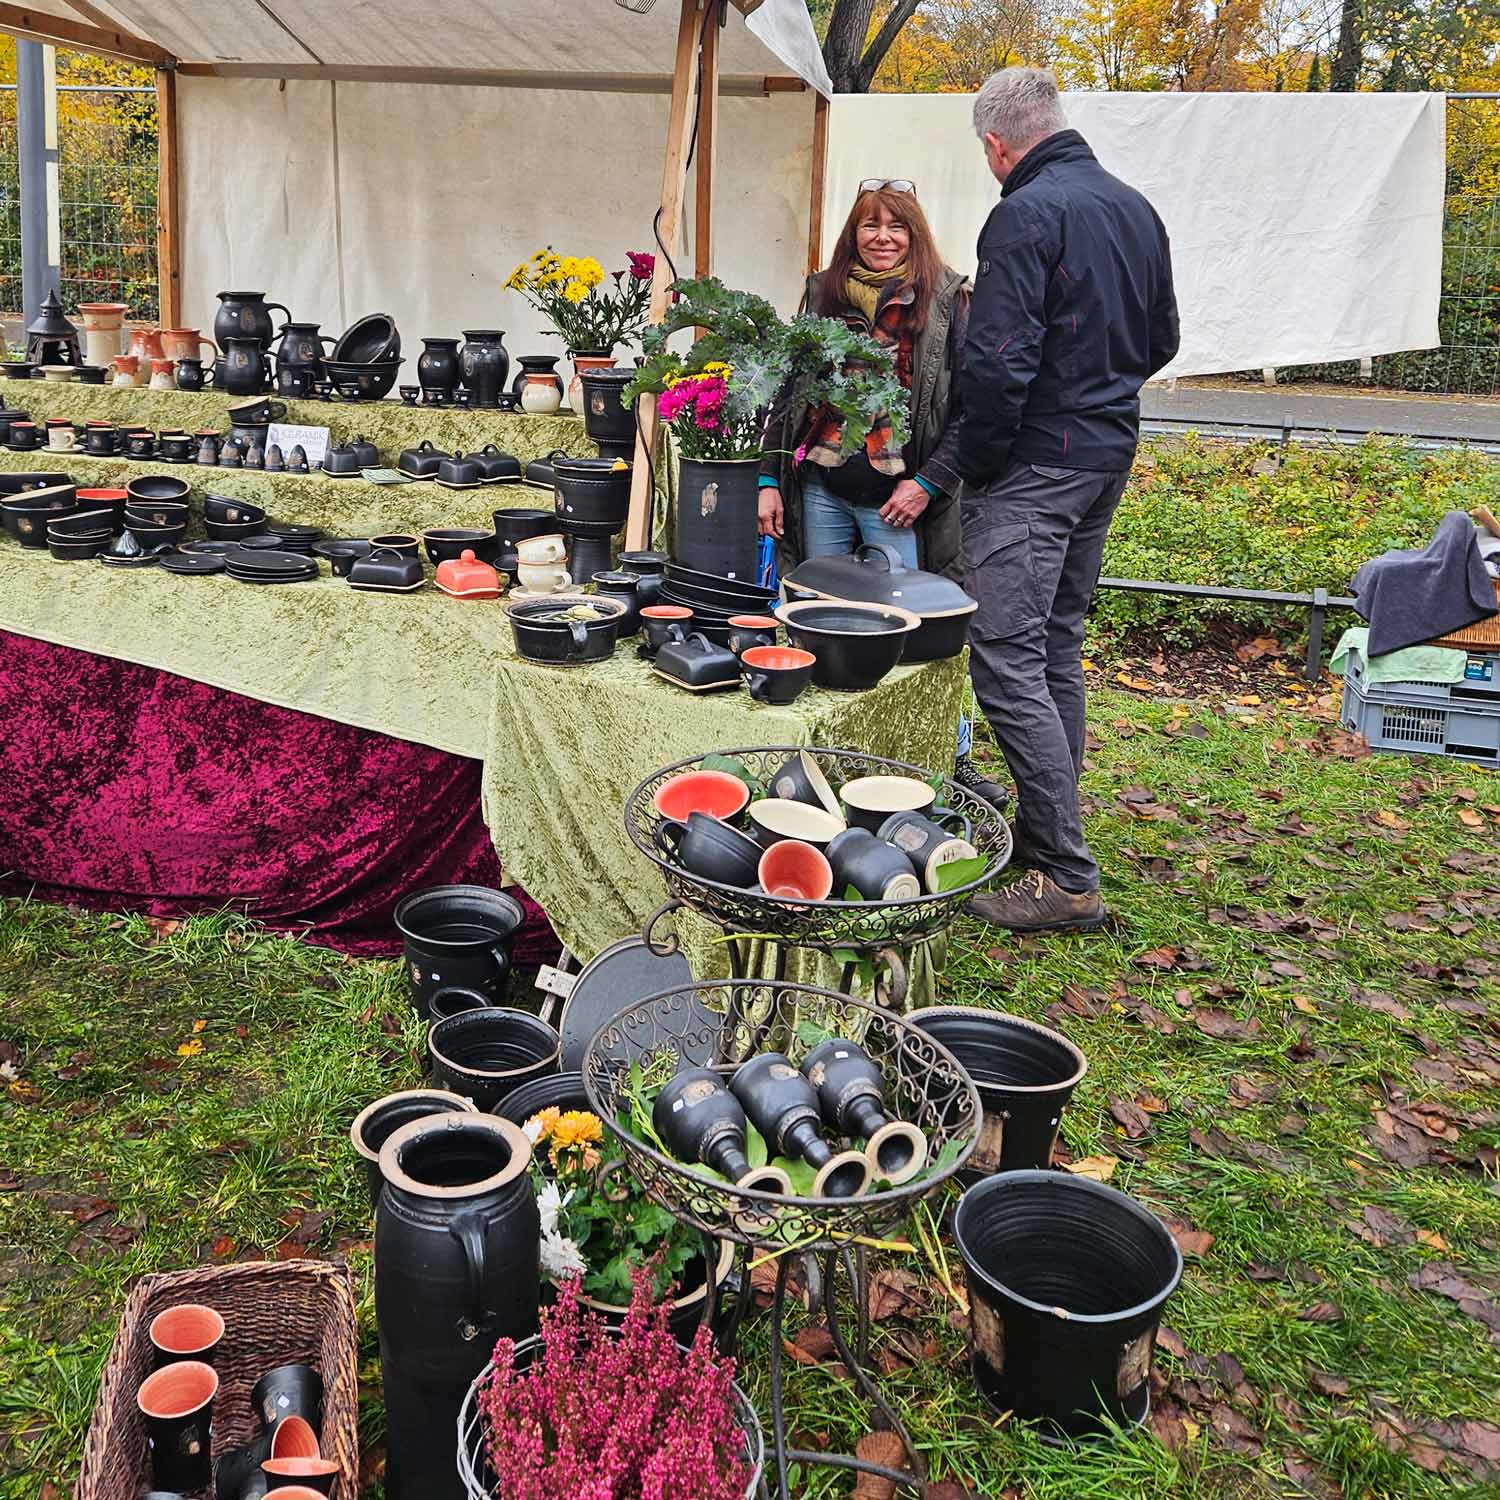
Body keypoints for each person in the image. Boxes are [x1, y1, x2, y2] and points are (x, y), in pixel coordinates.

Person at [957, 67, 1179, 933]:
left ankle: (1065, 877)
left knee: (1005, 657)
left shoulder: (1025, 212)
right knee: (1053, 646)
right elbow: (1161, 339)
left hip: (1036, 465)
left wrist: (982, 465)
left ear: (997, 145)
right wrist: (1096, 391)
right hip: (1103, 454)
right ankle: (1046, 833)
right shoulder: (1134, 207)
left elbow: (997, 362)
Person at [758, 181, 1004, 805]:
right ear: (854, 233)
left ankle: (946, 757)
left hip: (900, 500)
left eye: (896, 226)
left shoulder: (948, 299)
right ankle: (825, 761)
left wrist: (928, 482)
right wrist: (767, 479)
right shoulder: (822, 293)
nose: (883, 237)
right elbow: (788, 392)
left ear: (915, 235)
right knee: (819, 621)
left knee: (914, 636)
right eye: (870, 225)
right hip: (823, 487)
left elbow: (972, 409)